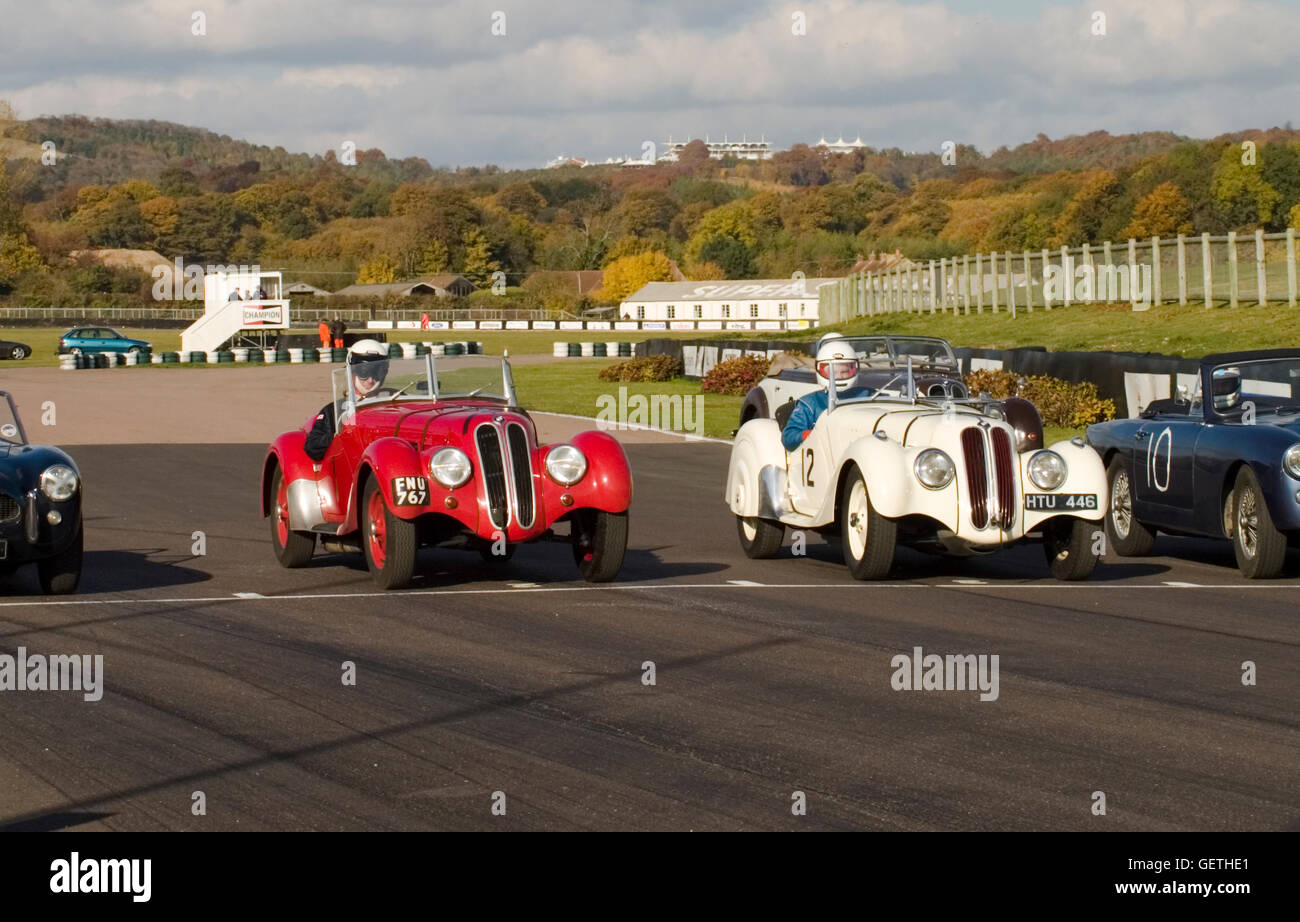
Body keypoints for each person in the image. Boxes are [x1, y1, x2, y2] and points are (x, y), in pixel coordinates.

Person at [304, 340, 391, 462]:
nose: (371, 380)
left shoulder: (396, 403)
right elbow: (312, 447)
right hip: (349, 465)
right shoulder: (334, 410)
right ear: (352, 371)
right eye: (364, 372)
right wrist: (339, 436)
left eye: (377, 372)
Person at [781, 338, 871, 451]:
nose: (838, 376)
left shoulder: (869, 395)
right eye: (832, 372)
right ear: (820, 371)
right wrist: (809, 434)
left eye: (845, 372)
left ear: (854, 369)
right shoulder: (809, 403)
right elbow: (788, 437)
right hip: (821, 454)